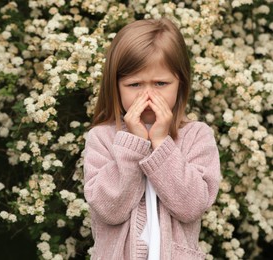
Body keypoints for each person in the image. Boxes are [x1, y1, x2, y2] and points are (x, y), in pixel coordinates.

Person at [83, 17, 221, 260]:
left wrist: (161, 143)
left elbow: (191, 206)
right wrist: (133, 146)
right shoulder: (102, 138)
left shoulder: (196, 136)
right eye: (134, 84)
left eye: (160, 83)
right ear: (115, 86)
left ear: (181, 83)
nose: (147, 96)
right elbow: (109, 210)